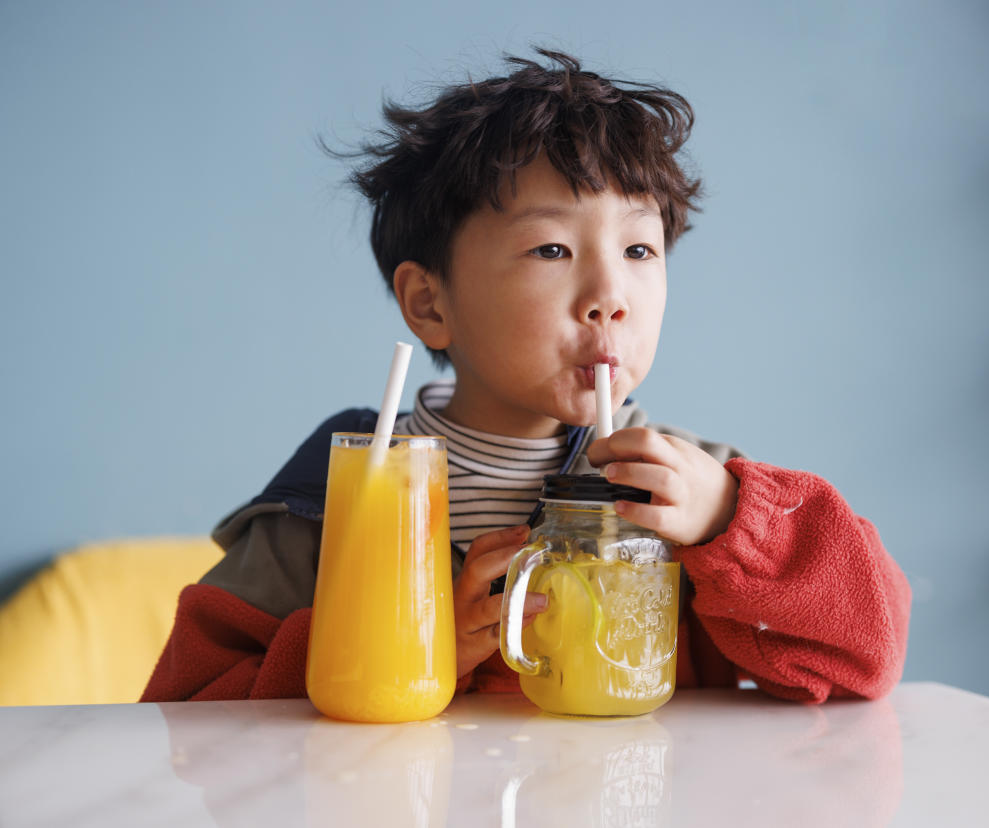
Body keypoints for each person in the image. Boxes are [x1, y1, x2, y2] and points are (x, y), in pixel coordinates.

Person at [142, 49, 910, 705]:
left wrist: (733, 526)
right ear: (428, 302)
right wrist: (406, 640)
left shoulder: (697, 494)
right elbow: (187, 711)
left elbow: (865, 658)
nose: (609, 298)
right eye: (551, 251)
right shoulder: (334, 503)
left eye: (639, 252)